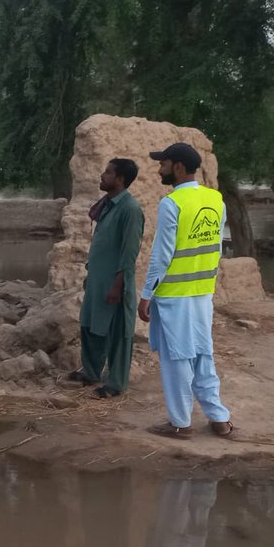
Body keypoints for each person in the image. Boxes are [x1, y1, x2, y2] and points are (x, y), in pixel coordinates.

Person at [138, 143, 233, 439]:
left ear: (178, 166)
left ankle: (180, 423)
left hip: (174, 296)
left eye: (163, 163)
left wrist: (146, 295)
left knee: (176, 359)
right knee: (203, 354)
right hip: (203, 293)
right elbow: (216, 247)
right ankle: (219, 419)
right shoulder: (216, 199)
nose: (159, 168)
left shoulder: (172, 203)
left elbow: (162, 255)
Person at [71, 159, 145, 398]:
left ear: (121, 179)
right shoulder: (107, 205)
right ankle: (91, 372)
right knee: (90, 326)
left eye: (108, 172)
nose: (102, 175)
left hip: (115, 284)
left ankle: (116, 384)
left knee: (117, 334)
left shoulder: (130, 209)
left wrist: (117, 285)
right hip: (98, 279)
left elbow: (129, 252)